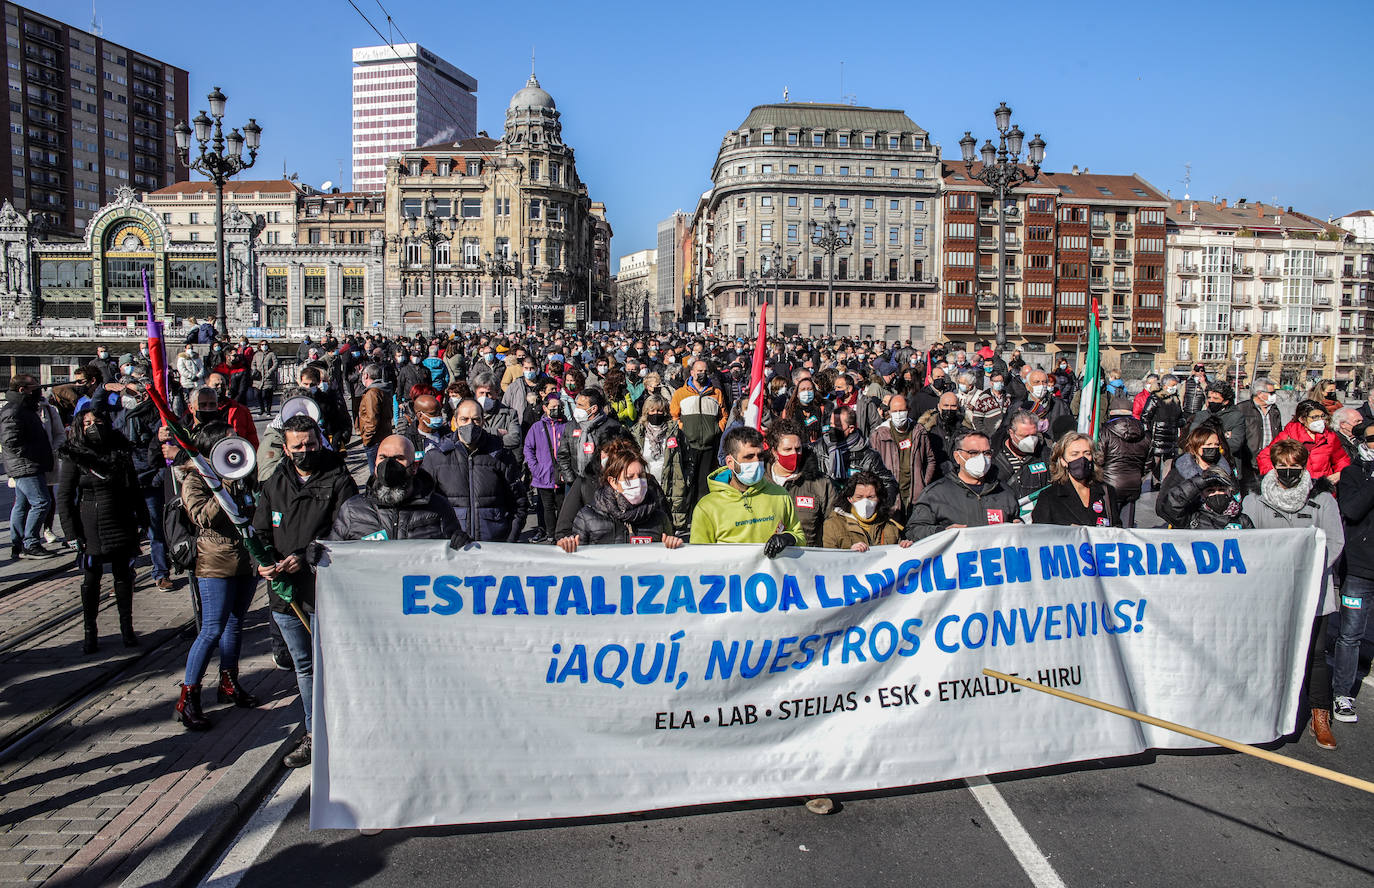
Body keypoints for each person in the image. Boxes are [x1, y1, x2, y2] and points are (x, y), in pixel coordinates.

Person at [252, 414, 356, 769]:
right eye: (297, 446)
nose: (304, 451)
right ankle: (315, 734)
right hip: (285, 595)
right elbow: (261, 532)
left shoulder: (338, 479)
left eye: (310, 444)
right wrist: (263, 563)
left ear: (320, 441)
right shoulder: (274, 483)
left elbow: (349, 530)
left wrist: (308, 555)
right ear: (285, 448)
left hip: (322, 588)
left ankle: (345, 730)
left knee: (335, 664)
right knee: (305, 666)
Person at [1241, 439, 1343, 750]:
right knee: (1267, 651)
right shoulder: (1254, 499)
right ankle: (1261, 712)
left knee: (1317, 654)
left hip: (1314, 591)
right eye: (1282, 466)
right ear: (1273, 466)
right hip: (1270, 593)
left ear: (1304, 467)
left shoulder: (1323, 499)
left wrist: (1309, 571)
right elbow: (1249, 542)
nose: (1289, 472)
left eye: (1295, 467)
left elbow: (1335, 542)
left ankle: (1320, 716)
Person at [174, 422, 261, 732]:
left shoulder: (244, 470)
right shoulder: (194, 479)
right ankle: (189, 697)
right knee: (211, 629)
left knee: (236, 623)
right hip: (215, 560)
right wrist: (222, 483)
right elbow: (202, 517)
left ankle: (228, 682)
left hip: (245, 558)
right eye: (226, 443)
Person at [57, 406, 149, 653]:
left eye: (97, 421)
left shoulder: (120, 452)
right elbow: (64, 497)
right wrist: (70, 533)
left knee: (124, 576)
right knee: (91, 578)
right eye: (87, 423)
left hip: (121, 521)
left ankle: (127, 629)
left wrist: (143, 519)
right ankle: (90, 632)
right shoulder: (74, 455)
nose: (93, 426)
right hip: (91, 525)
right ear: (79, 428)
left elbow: (134, 489)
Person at [689, 426, 804, 555]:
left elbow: (799, 535)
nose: (756, 462)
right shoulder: (707, 507)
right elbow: (698, 556)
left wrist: (789, 538)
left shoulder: (779, 494)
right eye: (749, 457)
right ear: (730, 462)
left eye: (760, 456)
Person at [430, 399, 528, 544]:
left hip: (493, 546)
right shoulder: (437, 457)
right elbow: (427, 507)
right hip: (452, 548)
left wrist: (509, 540)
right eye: (464, 419)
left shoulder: (501, 455)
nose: (470, 424)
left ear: (483, 422)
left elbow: (519, 503)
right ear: (455, 422)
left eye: (476, 419)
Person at [331, 435, 458, 542]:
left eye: (399, 458)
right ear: (375, 464)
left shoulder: (439, 507)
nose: (388, 465)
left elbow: (455, 557)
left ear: (414, 467)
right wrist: (320, 555)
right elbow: (334, 551)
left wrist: (462, 543)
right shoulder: (352, 510)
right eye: (383, 457)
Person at [903, 429, 1021, 541]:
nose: (981, 458)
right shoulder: (935, 494)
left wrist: (1019, 527)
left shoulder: (1004, 492)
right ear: (957, 457)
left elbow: (1016, 525)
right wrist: (942, 532)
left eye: (987, 453)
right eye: (973, 453)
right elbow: (913, 530)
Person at [557, 448, 683, 551]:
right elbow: (578, 565)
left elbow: (668, 563)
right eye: (629, 477)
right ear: (613, 481)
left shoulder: (659, 518)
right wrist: (568, 547)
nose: (637, 482)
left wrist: (673, 546)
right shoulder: (587, 517)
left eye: (641, 476)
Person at [1334, 422, 1374, 724]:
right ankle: (1342, 693)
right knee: (1350, 634)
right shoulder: (1353, 474)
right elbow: (1352, 510)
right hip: (1360, 567)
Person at [1, 374, 56, 559]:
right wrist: (33, 453)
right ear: (22, 390)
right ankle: (30, 543)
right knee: (41, 502)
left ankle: (18, 544)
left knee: (22, 504)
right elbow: (10, 441)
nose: (38, 391)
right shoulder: (14, 410)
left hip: (29, 464)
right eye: (34, 388)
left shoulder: (24, 408)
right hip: (25, 465)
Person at [764, 418, 837, 547]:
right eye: (787, 449)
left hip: (806, 559)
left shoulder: (820, 483)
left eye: (798, 449)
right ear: (774, 451)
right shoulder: (760, 481)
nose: (794, 454)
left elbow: (835, 524)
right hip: (767, 562)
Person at [1157, 426, 1241, 528]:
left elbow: (1236, 498)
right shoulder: (1180, 471)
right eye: (1208, 445)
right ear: (1196, 447)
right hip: (1189, 525)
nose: (1213, 448)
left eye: (1216, 445)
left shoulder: (1226, 470)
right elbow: (1162, 506)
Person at [1032, 431, 1119, 527]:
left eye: (1087, 453)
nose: (1082, 458)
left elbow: (1116, 530)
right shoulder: (1049, 496)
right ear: (1063, 460)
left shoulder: (1106, 492)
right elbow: (1039, 534)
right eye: (1075, 454)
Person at [869, 394, 935, 519]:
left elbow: (930, 459)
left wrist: (924, 483)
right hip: (890, 496)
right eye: (895, 411)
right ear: (889, 412)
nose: (898, 415)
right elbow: (871, 467)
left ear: (909, 410)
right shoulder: (879, 435)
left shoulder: (919, 432)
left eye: (902, 411)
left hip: (915, 495)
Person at [632, 395, 691, 535]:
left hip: (671, 485)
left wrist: (685, 479)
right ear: (646, 412)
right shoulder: (637, 433)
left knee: (670, 528)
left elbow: (688, 459)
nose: (656, 414)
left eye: (660, 411)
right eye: (652, 411)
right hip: (645, 485)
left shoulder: (675, 433)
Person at [670, 359, 728, 502]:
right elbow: (673, 416)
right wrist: (685, 429)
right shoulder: (680, 393)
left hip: (708, 445)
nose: (702, 374)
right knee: (689, 483)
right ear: (692, 372)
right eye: (699, 371)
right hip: (688, 445)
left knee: (704, 484)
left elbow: (724, 415)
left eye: (704, 371)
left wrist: (716, 429)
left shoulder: (716, 393)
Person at [1257, 400, 1350, 484]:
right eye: (1315, 417)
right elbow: (1264, 456)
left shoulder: (1330, 437)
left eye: (1322, 416)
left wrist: (1339, 473)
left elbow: (1341, 459)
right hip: (1296, 487)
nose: (1320, 421)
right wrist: (1276, 475)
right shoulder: (1288, 435)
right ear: (1302, 419)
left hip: (1322, 488)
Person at [825, 406, 898, 507]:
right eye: (831, 425)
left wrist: (879, 509)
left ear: (851, 428)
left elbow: (889, 484)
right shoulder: (821, 448)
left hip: (857, 512)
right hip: (829, 511)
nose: (832, 430)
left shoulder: (868, 456)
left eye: (837, 426)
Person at [822, 471, 913, 551]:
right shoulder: (833, 525)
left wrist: (905, 548)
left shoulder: (891, 527)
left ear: (879, 498)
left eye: (871, 497)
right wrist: (849, 553)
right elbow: (830, 561)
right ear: (850, 498)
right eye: (859, 497)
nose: (865, 502)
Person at [1099, 397, 1151, 528]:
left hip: (1110, 484)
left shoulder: (1105, 431)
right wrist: (1138, 474)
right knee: (1127, 526)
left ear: (1112, 412)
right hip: (1134, 483)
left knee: (1110, 524)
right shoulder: (1144, 434)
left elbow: (1099, 458)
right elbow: (1149, 462)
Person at [523, 393, 566, 543]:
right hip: (543, 474)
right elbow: (528, 448)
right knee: (547, 507)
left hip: (562, 475)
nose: (556, 409)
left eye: (559, 407)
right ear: (545, 408)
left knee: (562, 505)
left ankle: (561, 533)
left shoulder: (566, 425)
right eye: (553, 407)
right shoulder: (537, 427)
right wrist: (535, 469)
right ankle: (551, 534)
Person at [991, 410, 1052, 504]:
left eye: (1034, 435)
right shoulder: (994, 457)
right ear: (1011, 433)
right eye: (1025, 436)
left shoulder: (1045, 455)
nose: (1031, 440)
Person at [1237, 377, 1281, 491]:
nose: (1274, 395)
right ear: (1260, 394)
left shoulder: (1274, 410)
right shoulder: (1242, 409)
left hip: (1271, 460)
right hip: (1249, 461)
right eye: (1271, 393)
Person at [1142, 374, 1184, 486]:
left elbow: (1180, 416)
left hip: (1171, 436)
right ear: (1165, 386)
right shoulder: (1155, 398)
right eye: (1172, 385)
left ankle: (1165, 484)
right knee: (1154, 462)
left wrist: (1181, 422)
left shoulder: (1176, 399)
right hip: (1158, 436)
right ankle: (1153, 482)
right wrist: (1148, 433)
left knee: (1169, 463)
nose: (1175, 387)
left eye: (1176, 385)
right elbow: (1145, 416)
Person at [357, 363, 393, 472]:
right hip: (383, 435)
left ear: (366, 375)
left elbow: (372, 419)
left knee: (376, 473)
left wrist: (367, 439)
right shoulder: (382, 389)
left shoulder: (372, 393)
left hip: (375, 439)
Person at [1021, 368, 1074, 440]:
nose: (1041, 385)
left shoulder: (1059, 405)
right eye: (1037, 382)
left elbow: (1069, 432)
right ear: (1028, 386)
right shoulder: (1018, 405)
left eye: (1044, 382)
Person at [249, 342, 278, 417]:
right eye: (262, 345)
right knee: (258, 395)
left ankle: (268, 410)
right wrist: (255, 369)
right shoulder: (256, 354)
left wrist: (270, 371)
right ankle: (262, 409)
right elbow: (253, 363)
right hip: (258, 378)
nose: (263, 346)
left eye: (265, 344)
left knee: (267, 395)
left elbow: (275, 364)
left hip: (268, 378)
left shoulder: (271, 354)